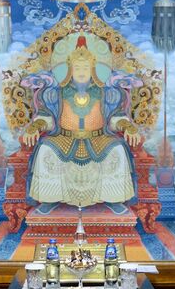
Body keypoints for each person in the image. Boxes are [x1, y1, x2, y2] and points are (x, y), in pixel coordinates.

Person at [21, 35, 141, 214]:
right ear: (70, 69)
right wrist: (35, 126)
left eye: (85, 67)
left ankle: (114, 199)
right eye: (77, 67)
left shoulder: (106, 93)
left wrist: (128, 126)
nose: (81, 71)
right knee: (46, 149)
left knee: (117, 149)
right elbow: (47, 117)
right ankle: (49, 199)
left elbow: (115, 118)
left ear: (93, 68)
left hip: (99, 138)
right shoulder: (56, 93)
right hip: (64, 138)